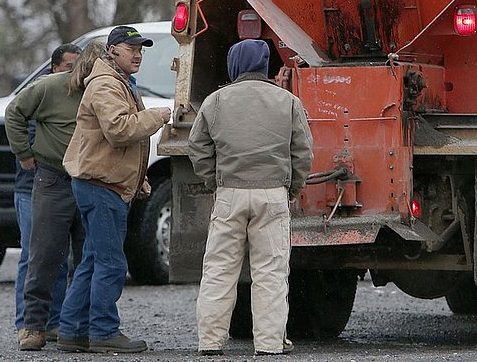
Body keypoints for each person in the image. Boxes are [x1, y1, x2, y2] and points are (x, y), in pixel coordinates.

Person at [188, 39, 313, 356]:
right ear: (264, 65)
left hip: (229, 193)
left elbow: (198, 148)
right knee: (270, 274)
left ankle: (210, 342)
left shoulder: (215, 101)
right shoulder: (288, 101)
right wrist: (292, 188)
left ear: (235, 65)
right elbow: (302, 153)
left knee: (219, 270)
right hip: (272, 194)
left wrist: (212, 181)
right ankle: (270, 344)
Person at [57, 26, 171, 354]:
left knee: (93, 259)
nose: (137, 54)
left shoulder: (117, 81)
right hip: (100, 186)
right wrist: (159, 115)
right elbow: (119, 130)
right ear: (112, 51)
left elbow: (113, 143)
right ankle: (104, 332)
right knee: (111, 263)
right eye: (130, 48)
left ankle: (72, 331)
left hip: (102, 182)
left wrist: (137, 179)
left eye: (141, 49)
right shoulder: (107, 83)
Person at [6, 42, 103, 351]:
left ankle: (76, 327)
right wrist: (24, 153)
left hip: (92, 180)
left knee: (89, 258)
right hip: (53, 180)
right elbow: (14, 113)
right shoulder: (49, 87)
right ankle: (34, 326)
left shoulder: (107, 91)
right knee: (45, 255)